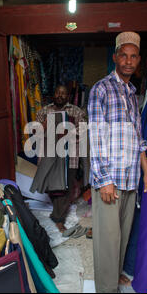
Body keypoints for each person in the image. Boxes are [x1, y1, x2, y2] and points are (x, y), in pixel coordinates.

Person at [88, 31, 147, 293]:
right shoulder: (101, 89)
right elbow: (96, 137)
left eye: (133, 57)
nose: (128, 61)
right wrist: (104, 181)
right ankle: (105, 292)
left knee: (121, 236)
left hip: (130, 179)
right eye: (124, 56)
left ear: (138, 60)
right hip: (110, 180)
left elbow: (138, 138)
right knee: (107, 241)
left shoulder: (132, 92)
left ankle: (114, 276)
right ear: (115, 57)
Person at [35, 85, 88, 235]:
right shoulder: (44, 111)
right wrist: (44, 126)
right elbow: (36, 132)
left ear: (68, 96)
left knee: (66, 187)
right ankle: (57, 210)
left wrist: (69, 131)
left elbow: (83, 130)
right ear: (54, 94)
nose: (60, 95)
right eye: (58, 92)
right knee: (53, 186)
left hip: (69, 156)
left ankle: (58, 217)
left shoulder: (76, 111)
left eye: (63, 93)